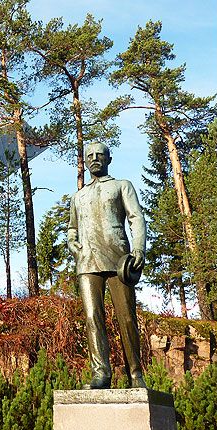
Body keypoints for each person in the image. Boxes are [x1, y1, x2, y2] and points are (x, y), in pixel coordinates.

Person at [68, 142, 147, 389]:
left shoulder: (122, 186)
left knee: (126, 318)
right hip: (87, 262)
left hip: (119, 260)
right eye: (89, 155)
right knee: (92, 317)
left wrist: (139, 249)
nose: (94, 159)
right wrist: (72, 243)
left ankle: (135, 375)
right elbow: (72, 228)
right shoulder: (78, 196)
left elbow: (136, 218)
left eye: (99, 154)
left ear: (109, 159)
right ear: (84, 161)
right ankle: (101, 373)